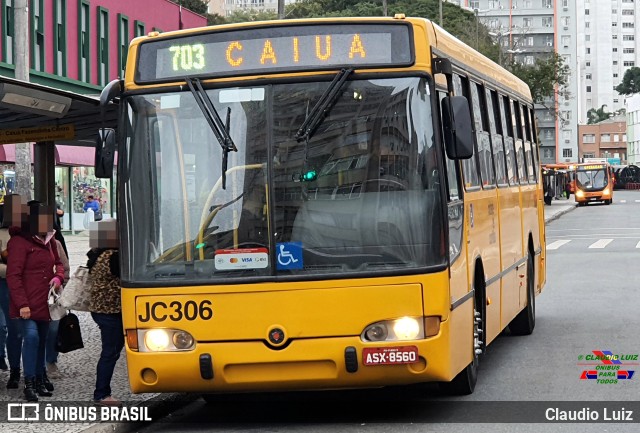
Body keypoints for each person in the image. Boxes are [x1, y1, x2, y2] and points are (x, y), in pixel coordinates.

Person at [7, 201, 65, 402]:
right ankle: (29, 383)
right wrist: (22, 304)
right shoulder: (18, 242)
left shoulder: (50, 241)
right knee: (31, 338)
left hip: (45, 301)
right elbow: (13, 276)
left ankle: (40, 379)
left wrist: (58, 278)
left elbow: (59, 264)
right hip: (25, 303)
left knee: (42, 340)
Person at [87, 219, 123, 406]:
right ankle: (102, 394)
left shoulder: (96, 255)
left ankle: (102, 392)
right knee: (110, 352)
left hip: (101, 310)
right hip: (111, 311)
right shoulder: (113, 256)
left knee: (111, 351)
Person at [1, 194, 27, 389]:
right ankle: (13, 369)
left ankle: (31, 372)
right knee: (12, 329)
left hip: (27, 285)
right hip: (5, 285)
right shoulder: (2, 233)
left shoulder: (30, 233)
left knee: (27, 332)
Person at [45, 238, 70, 379]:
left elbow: (64, 267)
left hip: (54, 292)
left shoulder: (56, 243)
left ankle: (51, 360)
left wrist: (62, 285)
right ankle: (38, 364)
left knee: (54, 328)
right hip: (33, 292)